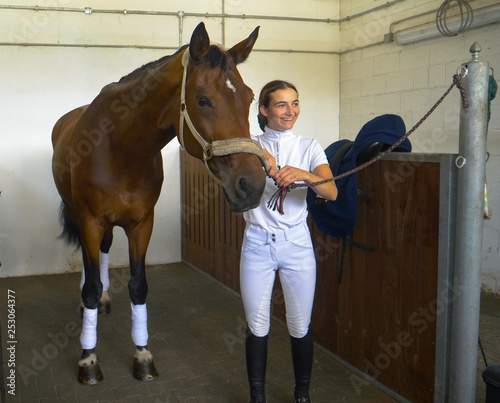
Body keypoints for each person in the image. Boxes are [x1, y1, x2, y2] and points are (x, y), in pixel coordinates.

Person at [240, 80, 338, 403]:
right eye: (281, 105)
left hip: (297, 243)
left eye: (294, 103)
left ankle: (302, 393)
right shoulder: (250, 144)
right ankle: (257, 396)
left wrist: (304, 175)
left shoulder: (309, 146)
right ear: (264, 110)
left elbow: (331, 191)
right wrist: (262, 156)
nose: (290, 111)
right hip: (257, 242)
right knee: (257, 325)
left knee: (299, 324)